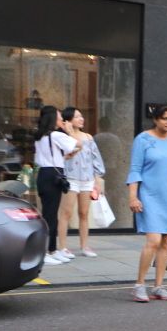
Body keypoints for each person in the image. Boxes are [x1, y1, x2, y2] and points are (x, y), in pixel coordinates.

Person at [128, 106, 167, 301]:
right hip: (149, 195)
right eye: (165, 118)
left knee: (165, 243)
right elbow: (135, 169)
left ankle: (159, 286)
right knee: (153, 241)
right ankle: (139, 285)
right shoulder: (143, 139)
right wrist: (133, 197)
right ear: (155, 119)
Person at [34, 106, 81, 266]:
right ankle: (45, 251)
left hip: (45, 175)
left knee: (51, 215)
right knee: (50, 216)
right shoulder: (55, 135)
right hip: (52, 176)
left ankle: (52, 250)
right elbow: (79, 143)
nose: (62, 120)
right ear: (53, 119)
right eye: (60, 118)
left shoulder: (41, 135)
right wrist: (69, 130)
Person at [57, 107, 105, 259]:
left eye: (81, 116)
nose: (81, 119)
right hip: (70, 178)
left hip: (87, 179)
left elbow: (95, 159)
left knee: (84, 213)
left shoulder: (89, 137)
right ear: (68, 121)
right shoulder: (64, 137)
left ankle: (84, 246)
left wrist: (97, 180)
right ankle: (62, 247)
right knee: (66, 213)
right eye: (77, 117)